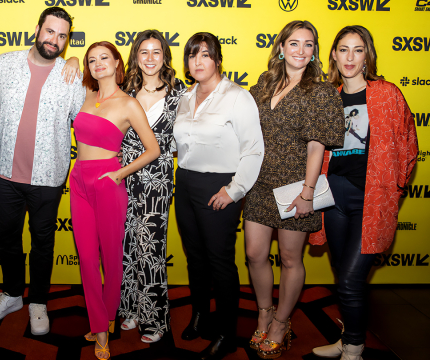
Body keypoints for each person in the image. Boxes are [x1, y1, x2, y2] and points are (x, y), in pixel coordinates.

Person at [310, 26, 418, 360]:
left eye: (358, 50)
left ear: (367, 55)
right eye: (343, 49)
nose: (350, 58)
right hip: (333, 199)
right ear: (334, 55)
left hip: (371, 199)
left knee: (351, 279)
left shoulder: (387, 94)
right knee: (343, 275)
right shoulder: (327, 96)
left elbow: (408, 143)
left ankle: (354, 351)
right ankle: (349, 338)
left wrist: (396, 187)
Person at [0, 6, 86, 336]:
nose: (55, 39)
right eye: (50, 31)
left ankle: (38, 302)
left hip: (48, 178)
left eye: (62, 35)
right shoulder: (5, 63)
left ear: (68, 41)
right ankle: (12, 294)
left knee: (43, 242)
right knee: (7, 239)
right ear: (38, 29)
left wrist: (76, 62)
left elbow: (84, 124)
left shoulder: (71, 75)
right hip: (6, 176)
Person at [243, 20, 345, 359]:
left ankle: (282, 322)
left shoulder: (321, 90)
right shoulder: (263, 84)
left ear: (315, 51)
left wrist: (307, 193)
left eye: (309, 44)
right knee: (255, 254)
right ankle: (264, 312)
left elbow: (318, 146)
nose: (301, 50)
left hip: (295, 187)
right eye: (294, 43)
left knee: (289, 258)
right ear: (281, 47)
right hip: (259, 182)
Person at [174, 32, 264, 360]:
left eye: (205, 55)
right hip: (184, 183)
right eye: (192, 55)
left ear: (218, 60)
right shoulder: (184, 97)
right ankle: (200, 316)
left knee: (221, 262)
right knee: (195, 258)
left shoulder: (238, 97)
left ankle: (227, 333)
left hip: (220, 188)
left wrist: (234, 190)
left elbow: (254, 150)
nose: (198, 61)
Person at [72, 41, 160, 359]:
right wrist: (70, 59)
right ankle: (100, 324)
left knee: (111, 258)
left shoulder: (128, 104)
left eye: (104, 58)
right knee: (86, 258)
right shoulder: (84, 95)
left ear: (117, 63)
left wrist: (121, 173)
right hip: (79, 179)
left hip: (108, 181)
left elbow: (154, 149)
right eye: (91, 59)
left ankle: (106, 321)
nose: (98, 64)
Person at [118, 29, 187, 344]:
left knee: (151, 249)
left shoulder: (179, 93)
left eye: (156, 52)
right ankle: (129, 308)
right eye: (143, 52)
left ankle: (155, 318)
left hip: (158, 180)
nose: (149, 58)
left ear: (164, 56)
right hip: (123, 176)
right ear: (135, 56)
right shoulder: (123, 91)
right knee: (128, 245)